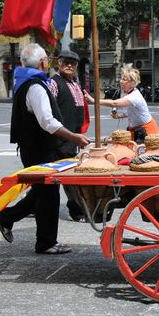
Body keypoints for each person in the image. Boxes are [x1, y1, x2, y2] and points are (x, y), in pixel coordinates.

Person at [0, 43, 90, 254]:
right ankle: (41, 239)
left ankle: (17, 224)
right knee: (47, 194)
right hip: (40, 149)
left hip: (37, 148)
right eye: (47, 59)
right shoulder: (36, 86)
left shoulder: (26, 82)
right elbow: (48, 122)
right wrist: (73, 137)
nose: (49, 62)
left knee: (44, 193)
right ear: (42, 63)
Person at [48, 49, 88, 222]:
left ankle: (32, 204)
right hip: (60, 139)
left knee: (64, 178)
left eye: (73, 63)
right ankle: (77, 209)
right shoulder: (54, 83)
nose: (69, 65)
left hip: (72, 138)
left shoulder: (75, 84)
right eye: (66, 62)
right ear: (59, 63)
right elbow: (48, 112)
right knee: (69, 178)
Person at [85, 64, 159, 143]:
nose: (121, 81)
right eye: (121, 79)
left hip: (147, 132)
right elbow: (130, 112)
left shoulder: (134, 96)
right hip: (137, 131)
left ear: (132, 82)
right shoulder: (129, 94)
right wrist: (118, 115)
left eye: (124, 79)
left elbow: (115, 103)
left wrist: (94, 100)